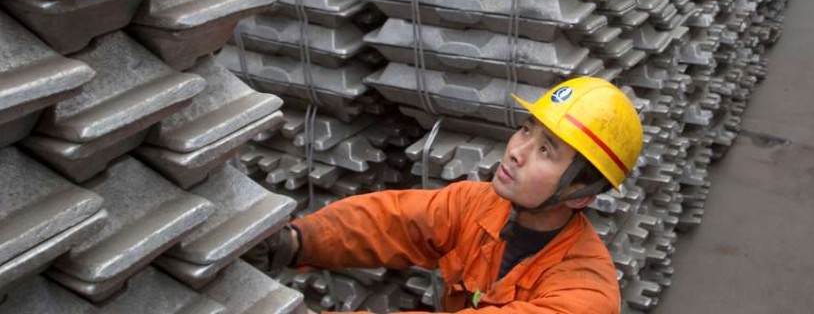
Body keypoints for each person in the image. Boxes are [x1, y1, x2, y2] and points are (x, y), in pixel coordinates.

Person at [247, 76, 644, 313]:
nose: (516, 151)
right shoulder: (479, 206)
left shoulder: (585, 293)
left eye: (546, 151)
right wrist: (296, 242)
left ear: (580, 195)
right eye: (526, 130)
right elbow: (393, 221)